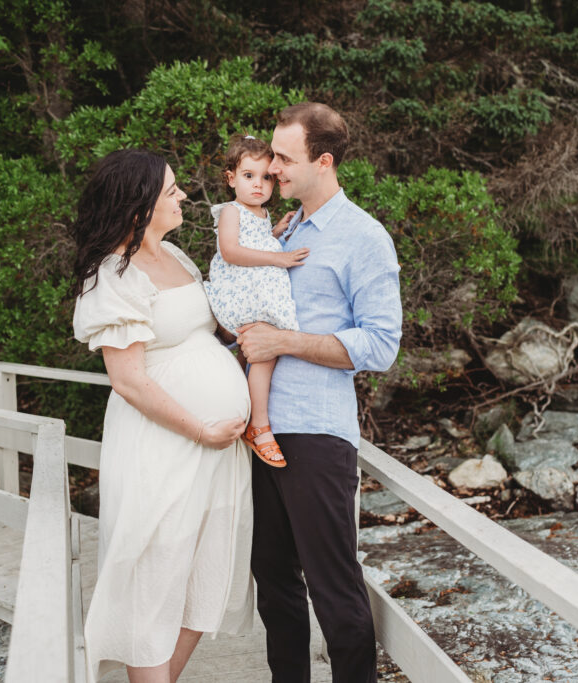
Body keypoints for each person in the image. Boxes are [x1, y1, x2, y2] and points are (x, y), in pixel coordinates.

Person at [71, 149, 255, 683]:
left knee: (206, 570)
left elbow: (212, 330)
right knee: (155, 574)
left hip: (218, 449)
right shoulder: (113, 275)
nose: (182, 196)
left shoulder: (177, 257)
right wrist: (201, 429)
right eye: (171, 190)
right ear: (139, 204)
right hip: (165, 444)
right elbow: (128, 379)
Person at [237, 102, 403, 683]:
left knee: (334, 588)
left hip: (316, 432)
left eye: (285, 158)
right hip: (259, 431)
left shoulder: (364, 237)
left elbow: (381, 344)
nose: (272, 168)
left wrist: (284, 341)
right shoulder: (280, 230)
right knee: (274, 582)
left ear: (324, 161)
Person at [204, 133, 307, 468]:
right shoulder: (231, 211)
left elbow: (255, 242)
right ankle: (259, 425)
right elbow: (231, 251)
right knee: (265, 350)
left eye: (266, 178)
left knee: (260, 353)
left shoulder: (261, 214)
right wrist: (279, 257)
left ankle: (242, 414)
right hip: (239, 293)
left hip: (254, 293)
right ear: (231, 178)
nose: (259, 184)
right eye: (249, 176)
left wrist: (275, 233)